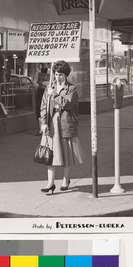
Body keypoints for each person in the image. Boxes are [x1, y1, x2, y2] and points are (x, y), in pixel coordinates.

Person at [39, 60, 84, 194]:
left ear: (66, 76)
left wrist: (54, 94)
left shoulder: (72, 88)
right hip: (51, 124)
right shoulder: (49, 87)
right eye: (56, 74)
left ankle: (66, 180)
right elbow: (43, 106)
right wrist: (43, 123)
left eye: (61, 75)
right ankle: (50, 183)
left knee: (66, 154)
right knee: (50, 154)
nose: (58, 77)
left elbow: (67, 104)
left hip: (65, 124)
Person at [33, 63, 50, 135]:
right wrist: (40, 86)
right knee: (39, 109)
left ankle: (47, 127)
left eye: (45, 63)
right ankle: (40, 129)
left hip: (48, 92)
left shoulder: (50, 72)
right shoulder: (38, 72)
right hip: (40, 92)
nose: (44, 64)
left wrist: (47, 86)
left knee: (47, 108)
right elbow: (34, 83)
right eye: (43, 63)